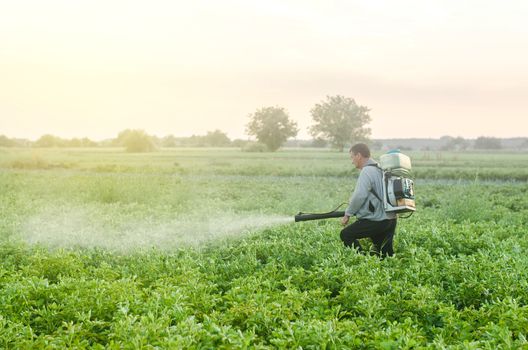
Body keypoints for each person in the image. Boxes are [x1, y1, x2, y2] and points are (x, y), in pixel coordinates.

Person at [340, 143, 397, 258]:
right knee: (385, 254)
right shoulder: (381, 168)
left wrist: (348, 213)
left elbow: (360, 195)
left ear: (359, 155)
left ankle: (361, 261)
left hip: (377, 220)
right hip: (391, 219)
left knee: (346, 234)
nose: (352, 161)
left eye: (352, 157)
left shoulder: (367, 171)